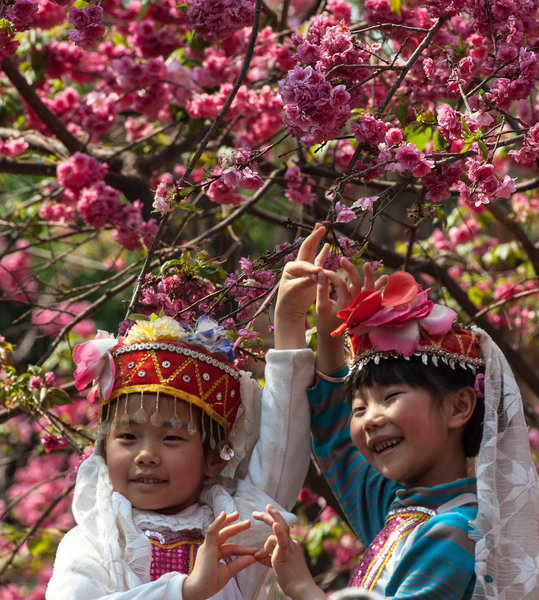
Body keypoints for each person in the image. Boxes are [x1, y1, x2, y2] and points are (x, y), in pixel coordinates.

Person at [254, 261, 539, 600]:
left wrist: (303, 587)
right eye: (359, 408)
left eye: (390, 397)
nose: (370, 419)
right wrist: (318, 331)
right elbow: (337, 437)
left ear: (458, 407)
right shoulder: (395, 509)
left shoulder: (458, 528)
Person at [45, 224, 330, 600]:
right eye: (128, 436)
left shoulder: (233, 527)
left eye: (172, 437)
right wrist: (187, 590)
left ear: (214, 458)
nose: (146, 455)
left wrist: (291, 321)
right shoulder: (90, 542)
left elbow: (282, 448)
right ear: (103, 447)